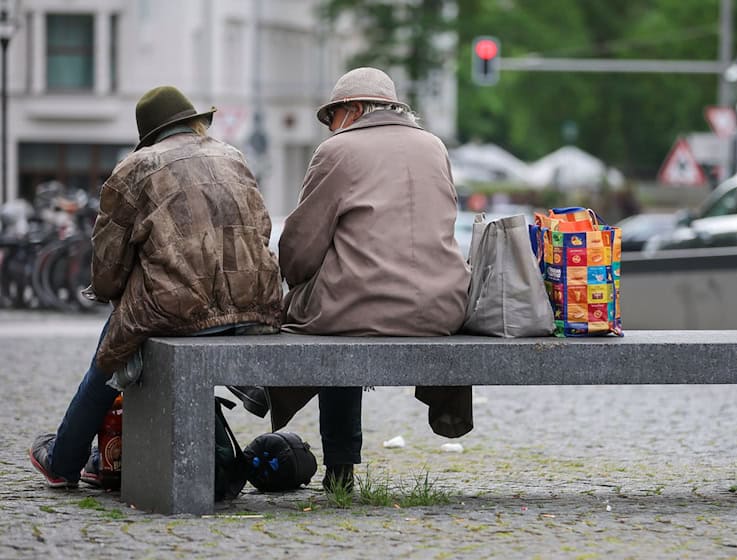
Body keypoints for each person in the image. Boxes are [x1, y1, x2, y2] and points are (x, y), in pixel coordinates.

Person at [29, 86, 284, 488]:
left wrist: (116, 291)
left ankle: (63, 460)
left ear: (148, 135)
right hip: (258, 303)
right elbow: (261, 229)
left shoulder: (134, 167)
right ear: (194, 122)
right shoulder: (232, 156)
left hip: (179, 309)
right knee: (137, 326)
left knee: (111, 350)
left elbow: (109, 263)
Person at [273, 67, 471, 491]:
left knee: (327, 315)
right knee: (341, 301)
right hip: (444, 308)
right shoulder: (435, 146)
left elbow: (301, 245)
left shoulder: (338, 151)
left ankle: (339, 466)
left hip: (360, 306)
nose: (331, 128)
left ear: (355, 109)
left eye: (333, 117)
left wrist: (299, 281)